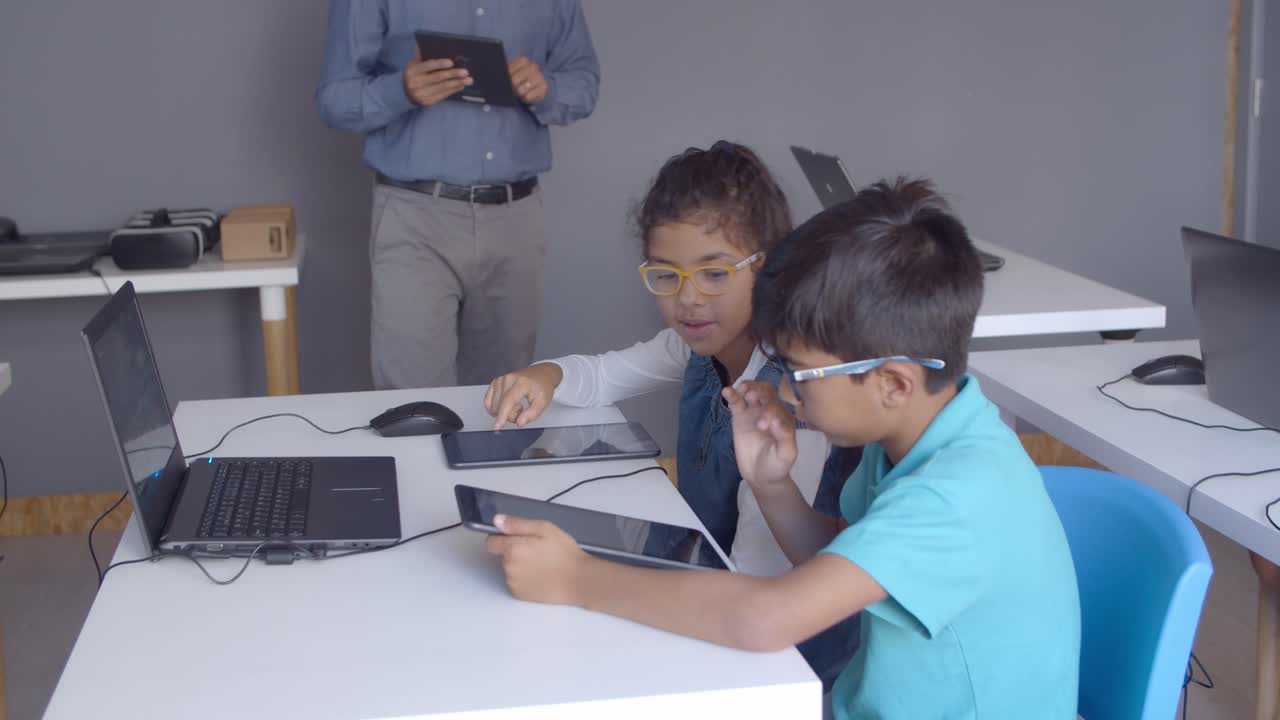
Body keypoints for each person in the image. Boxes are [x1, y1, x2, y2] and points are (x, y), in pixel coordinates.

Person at [485, 178, 1082, 719]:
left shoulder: (957, 494)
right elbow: (845, 554)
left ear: (892, 382)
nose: (789, 394)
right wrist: (773, 485)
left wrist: (577, 579)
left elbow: (763, 618)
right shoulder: (917, 432)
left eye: (799, 374)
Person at [483, 141, 860, 687]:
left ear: (771, 266)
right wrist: (544, 375)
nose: (688, 300)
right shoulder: (697, 350)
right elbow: (602, 374)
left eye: (714, 274)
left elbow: (761, 580)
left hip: (784, 662)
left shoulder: (797, 397)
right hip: (714, 585)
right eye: (666, 276)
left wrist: (586, 582)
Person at [316, 1, 600, 389]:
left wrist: (548, 89)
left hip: (515, 220)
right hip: (414, 217)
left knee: (504, 398)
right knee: (413, 403)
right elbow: (334, 100)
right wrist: (400, 90)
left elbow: (584, 83)